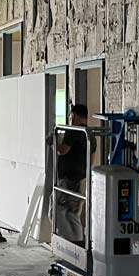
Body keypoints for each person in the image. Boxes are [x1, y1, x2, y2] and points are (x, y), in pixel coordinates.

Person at [51, 104, 95, 245]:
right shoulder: (90, 135)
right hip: (82, 179)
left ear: (74, 115)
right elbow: (91, 160)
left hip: (69, 181)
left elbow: (62, 150)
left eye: (71, 116)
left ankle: (71, 244)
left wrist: (52, 142)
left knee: (56, 212)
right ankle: (79, 244)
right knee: (73, 214)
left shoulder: (74, 131)